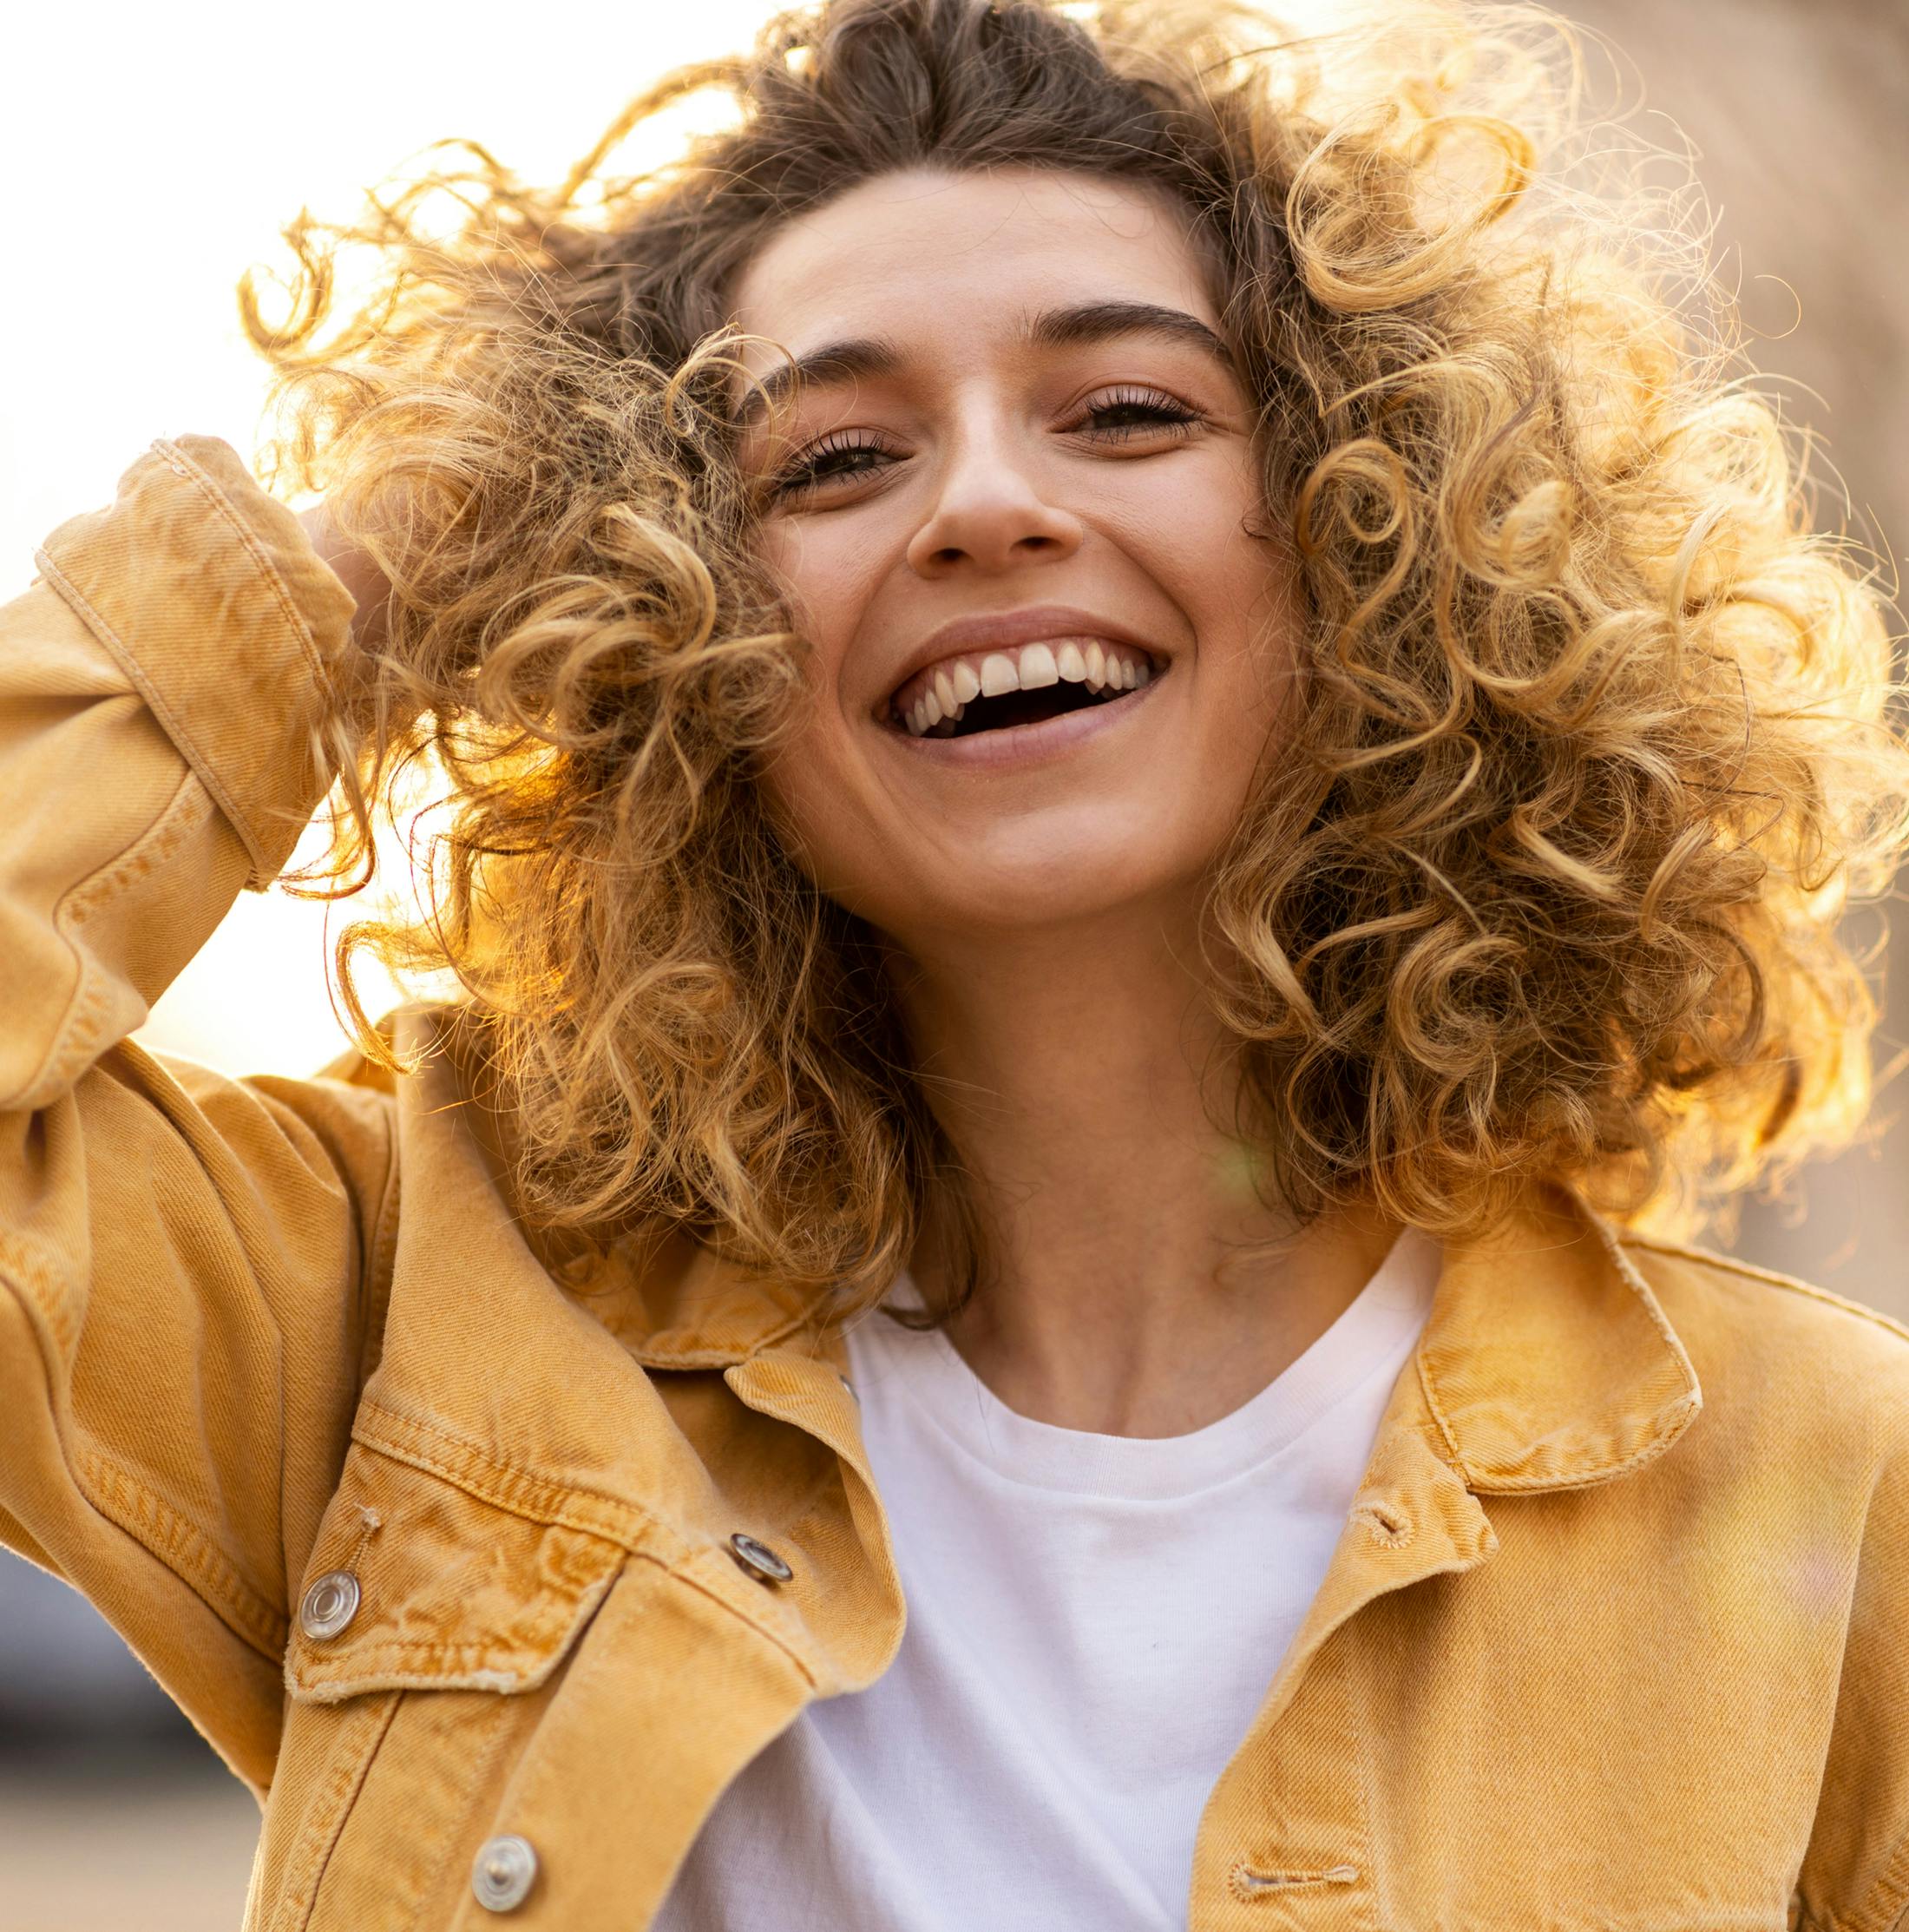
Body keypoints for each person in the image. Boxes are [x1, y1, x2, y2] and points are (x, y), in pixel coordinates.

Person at [3, 0, 1906, 1925]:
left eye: (1131, 412)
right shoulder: (414, 1314)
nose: (986, 504)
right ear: (667, 613)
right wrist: (370, 567)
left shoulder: (1818, 1477)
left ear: (1379, 539)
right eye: (828, 461)